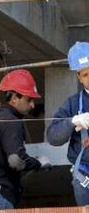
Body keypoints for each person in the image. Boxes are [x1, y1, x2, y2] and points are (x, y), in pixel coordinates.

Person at [0, 69, 51, 210]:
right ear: (14, 97)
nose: (32, 105)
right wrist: (38, 162)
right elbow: (15, 161)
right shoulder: (12, 122)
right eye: (29, 99)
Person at [47, 41, 89, 205]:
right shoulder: (73, 104)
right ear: (78, 77)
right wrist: (72, 122)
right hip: (85, 178)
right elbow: (52, 137)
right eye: (86, 74)